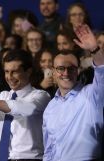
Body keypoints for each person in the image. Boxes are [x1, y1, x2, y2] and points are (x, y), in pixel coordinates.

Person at [43, 24, 104, 161]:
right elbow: (48, 150)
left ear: (78, 71)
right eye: (60, 68)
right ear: (53, 71)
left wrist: (94, 50)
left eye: (71, 68)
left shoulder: (92, 94)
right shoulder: (50, 107)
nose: (66, 73)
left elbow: (102, 71)